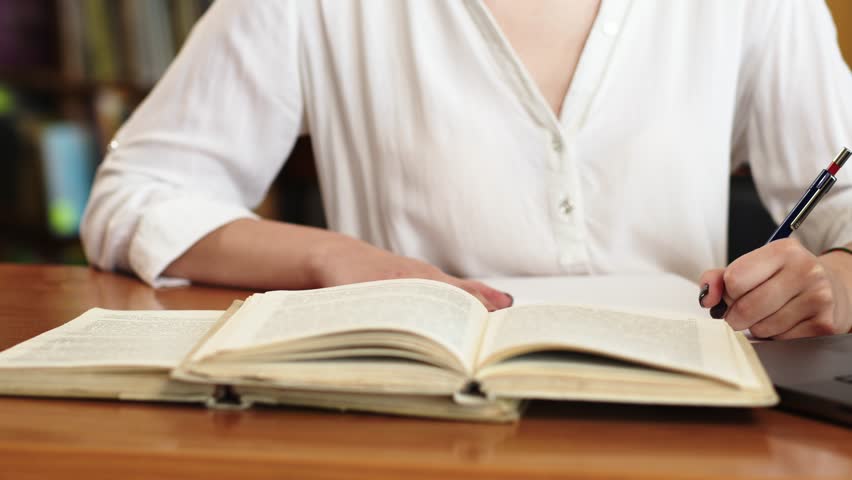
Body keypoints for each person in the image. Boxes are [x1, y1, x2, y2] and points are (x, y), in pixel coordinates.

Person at [81, 0, 852, 339]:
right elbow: (135, 194)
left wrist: (835, 280)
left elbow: (841, 193)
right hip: (419, 413)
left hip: (695, 419)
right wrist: (334, 256)